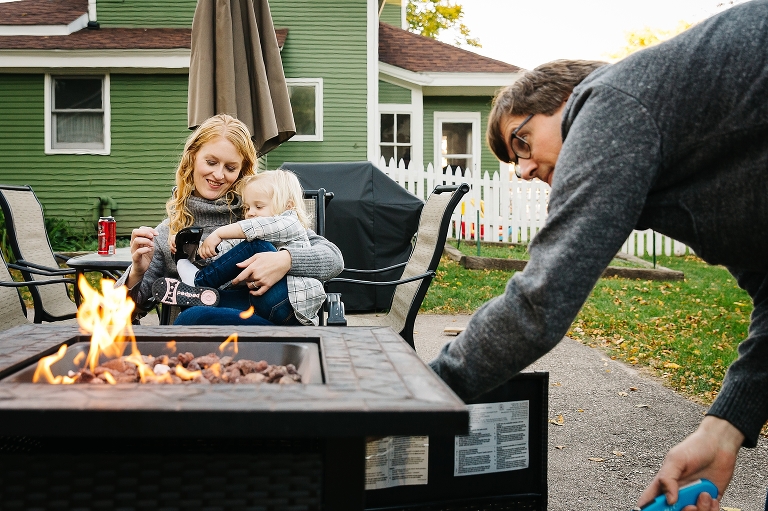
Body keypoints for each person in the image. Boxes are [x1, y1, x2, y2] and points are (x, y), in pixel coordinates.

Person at [428, 2, 768, 510]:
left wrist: (422, 393)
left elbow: (540, 303)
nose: (521, 170)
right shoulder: (683, 164)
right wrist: (725, 427)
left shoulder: (606, 101)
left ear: (568, 100)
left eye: (521, 141)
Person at [119, 114, 343, 326]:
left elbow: (333, 258)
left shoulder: (259, 213)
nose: (218, 175)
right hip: (202, 349)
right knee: (193, 318)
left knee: (194, 315)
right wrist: (137, 272)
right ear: (192, 158)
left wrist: (285, 261)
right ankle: (201, 292)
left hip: (271, 333)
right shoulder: (171, 231)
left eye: (230, 167)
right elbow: (118, 315)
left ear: (241, 171)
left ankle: (199, 284)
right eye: (211, 162)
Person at [152, 169, 326, 326]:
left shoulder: (291, 222)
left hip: (289, 305)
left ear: (288, 206)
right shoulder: (249, 236)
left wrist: (219, 234)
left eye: (259, 206)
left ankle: (198, 281)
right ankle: (201, 296)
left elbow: (259, 227)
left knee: (258, 245)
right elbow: (228, 253)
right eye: (247, 207)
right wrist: (193, 250)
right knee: (190, 316)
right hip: (265, 313)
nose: (250, 212)